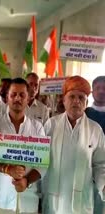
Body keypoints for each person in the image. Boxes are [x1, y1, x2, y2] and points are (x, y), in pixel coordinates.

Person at [42, 76, 105, 213]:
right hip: (54, 199)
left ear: (86, 102)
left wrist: (104, 185)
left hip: (81, 202)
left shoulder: (95, 130)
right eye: (72, 97)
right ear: (64, 101)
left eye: (81, 98)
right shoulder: (51, 125)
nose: (76, 101)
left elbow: (100, 165)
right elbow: (40, 159)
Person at [0, 78, 45, 214]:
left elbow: (43, 164)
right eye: (13, 94)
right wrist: (7, 169)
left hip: (29, 200)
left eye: (22, 95)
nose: (17, 98)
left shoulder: (37, 127)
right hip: (2, 198)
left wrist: (27, 180)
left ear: (28, 98)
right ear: (7, 97)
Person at [85, 76, 105, 214]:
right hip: (86, 162)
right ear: (92, 92)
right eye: (98, 88)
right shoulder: (84, 113)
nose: (102, 91)